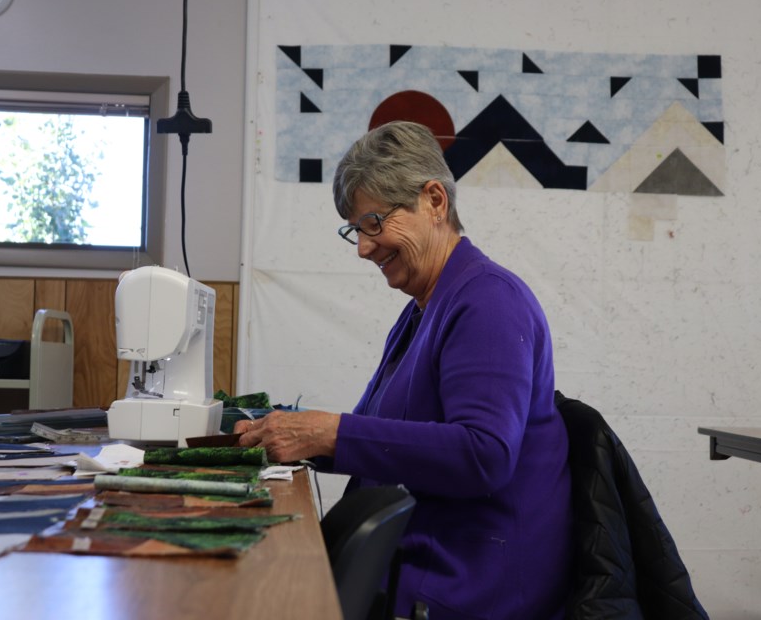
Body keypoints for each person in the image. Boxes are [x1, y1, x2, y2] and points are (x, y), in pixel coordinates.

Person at [235, 121, 573, 619]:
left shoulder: (488, 302)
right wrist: (278, 427)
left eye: (373, 223)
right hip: (427, 562)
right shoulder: (424, 308)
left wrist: (329, 434)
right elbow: (374, 433)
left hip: (467, 585)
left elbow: (484, 455)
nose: (363, 247)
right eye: (356, 229)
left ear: (434, 201)